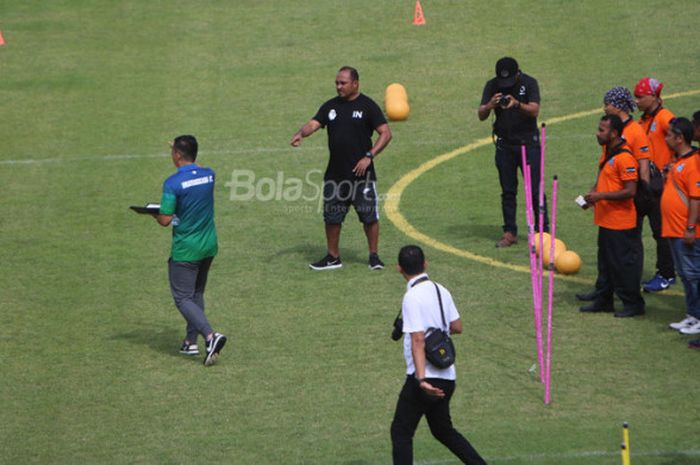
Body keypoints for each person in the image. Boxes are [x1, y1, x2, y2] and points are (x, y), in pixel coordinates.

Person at [390, 245, 488, 465]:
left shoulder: (412, 297)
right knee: (443, 430)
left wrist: (421, 379)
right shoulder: (441, 290)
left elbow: (417, 339)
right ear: (425, 264)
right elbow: (457, 326)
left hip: (425, 379)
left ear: (399, 269)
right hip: (447, 377)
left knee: (401, 432)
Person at [290, 66, 392, 271]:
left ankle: (374, 256)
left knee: (369, 217)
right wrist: (302, 133)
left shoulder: (367, 106)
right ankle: (333, 257)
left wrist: (369, 156)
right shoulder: (330, 107)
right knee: (332, 217)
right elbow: (314, 123)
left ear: (355, 83)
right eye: (337, 83)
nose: (339, 86)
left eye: (343, 83)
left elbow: (386, 133)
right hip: (335, 176)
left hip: (362, 176)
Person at [153, 135, 227, 366]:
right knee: (196, 295)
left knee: (182, 297)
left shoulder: (172, 183)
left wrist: (153, 213)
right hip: (208, 246)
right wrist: (185, 153)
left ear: (176, 155)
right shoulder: (209, 175)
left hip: (186, 249)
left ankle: (210, 336)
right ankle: (190, 342)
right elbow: (199, 170)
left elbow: (165, 219)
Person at [578, 115, 645, 317]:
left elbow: (630, 191)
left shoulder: (625, 158)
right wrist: (592, 197)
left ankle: (633, 304)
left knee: (623, 266)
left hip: (621, 223)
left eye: (602, 130)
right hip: (607, 220)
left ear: (614, 133)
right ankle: (604, 299)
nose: (598, 134)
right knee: (606, 264)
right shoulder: (609, 152)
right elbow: (605, 180)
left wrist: (601, 196)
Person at [478, 56, 548, 247]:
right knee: (508, 191)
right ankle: (510, 232)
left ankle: (544, 232)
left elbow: (534, 110)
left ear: (518, 73)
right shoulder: (492, 86)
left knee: (535, 190)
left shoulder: (529, 83)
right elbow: (481, 115)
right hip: (504, 145)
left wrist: (517, 104)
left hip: (528, 145)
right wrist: (490, 105)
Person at [634, 78, 677, 292]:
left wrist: (672, 166)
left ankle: (667, 274)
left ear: (653, 97)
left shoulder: (664, 118)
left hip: (663, 186)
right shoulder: (644, 121)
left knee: (661, 232)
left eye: (640, 97)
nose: (637, 101)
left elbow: (681, 141)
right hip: (649, 185)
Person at [660, 118, 700, 338]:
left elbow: (696, 198)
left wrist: (691, 228)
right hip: (674, 228)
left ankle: (698, 317)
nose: (666, 139)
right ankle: (693, 314)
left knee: (693, 274)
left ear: (679, 138)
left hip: (686, 230)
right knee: (686, 274)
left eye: (669, 135)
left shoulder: (693, 163)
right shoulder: (678, 161)